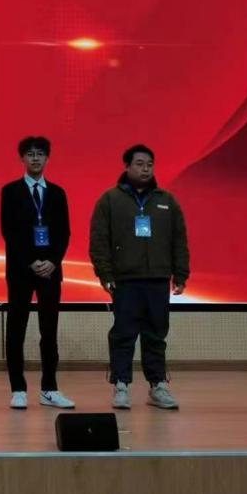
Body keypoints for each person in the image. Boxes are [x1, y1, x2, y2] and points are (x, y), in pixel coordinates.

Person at [89, 144, 190, 410]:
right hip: (125, 280)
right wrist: (105, 273)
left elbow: (179, 240)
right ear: (127, 167)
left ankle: (158, 385)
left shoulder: (167, 201)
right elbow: (99, 241)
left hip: (158, 278)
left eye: (149, 164)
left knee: (156, 335)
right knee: (123, 334)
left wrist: (181, 273)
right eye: (139, 164)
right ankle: (121, 385)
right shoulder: (110, 200)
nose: (145, 169)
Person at [0, 136, 74, 410]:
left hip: (50, 271)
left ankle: (49, 388)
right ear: (22, 158)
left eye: (40, 154)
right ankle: (18, 389)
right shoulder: (10, 191)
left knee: (49, 330)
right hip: (21, 270)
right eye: (30, 154)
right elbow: (9, 232)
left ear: (47, 158)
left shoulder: (57, 193)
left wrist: (52, 261)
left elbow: (64, 232)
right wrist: (31, 261)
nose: (35, 158)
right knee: (16, 328)